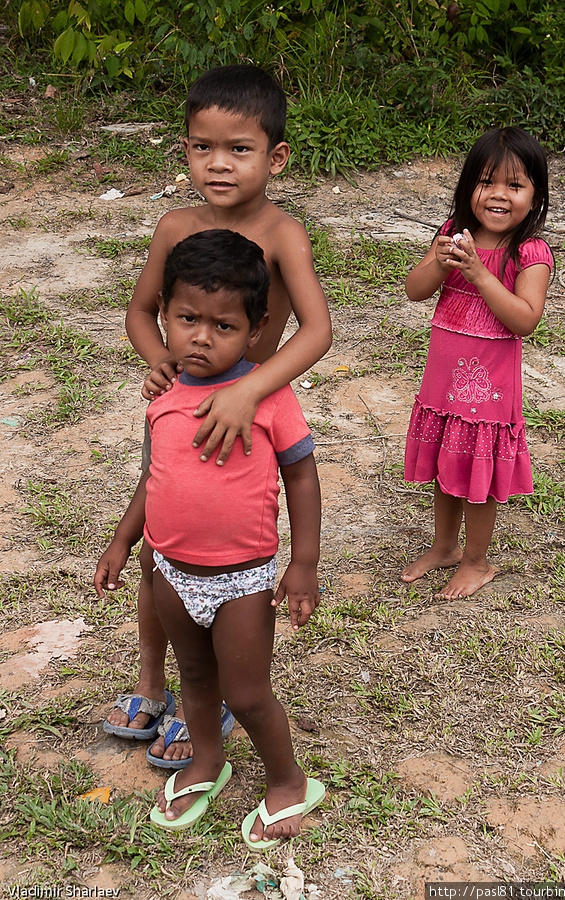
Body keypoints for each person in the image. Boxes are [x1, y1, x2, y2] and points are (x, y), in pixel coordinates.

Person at [101, 63, 332, 767]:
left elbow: (318, 331)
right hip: (179, 413)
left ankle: (229, 692)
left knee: (229, 546)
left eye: (239, 148)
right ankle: (152, 681)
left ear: (275, 156)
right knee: (160, 551)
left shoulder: (284, 233)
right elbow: (142, 312)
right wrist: (158, 361)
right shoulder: (176, 226)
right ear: (186, 148)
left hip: (246, 417)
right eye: (203, 147)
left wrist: (250, 390)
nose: (219, 164)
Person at [95, 230, 325, 845]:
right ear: (164, 313)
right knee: (194, 681)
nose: (200, 336)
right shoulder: (164, 391)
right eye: (186, 318)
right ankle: (206, 760)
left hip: (241, 579)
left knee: (247, 694)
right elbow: (155, 476)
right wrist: (123, 540)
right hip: (171, 569)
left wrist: (304, 563)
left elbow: (302, 476)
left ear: (255, 331)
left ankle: (288, 780)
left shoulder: (270, 396)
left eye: (222, 326)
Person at [401, 126, 553, 600]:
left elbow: (524, 319)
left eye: (515, 184)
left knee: (478, 477)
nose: (498, 195)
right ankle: (444, 547)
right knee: (448, 460)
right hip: (444, 380)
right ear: (469, 186)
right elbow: (415, 289)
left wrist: (480, 274)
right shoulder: (452, 234)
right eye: (487, 181)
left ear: (536, 196)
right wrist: (440, 263)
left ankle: (476, 561)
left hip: (487, 389)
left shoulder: (530, 252)